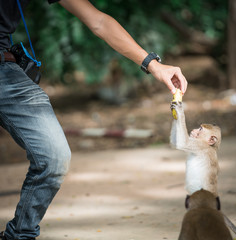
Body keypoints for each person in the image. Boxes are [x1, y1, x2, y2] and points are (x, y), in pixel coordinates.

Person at [0, 0, 188, 239]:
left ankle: (19, 235)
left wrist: (155, 66)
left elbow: (98, 21)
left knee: (54, 156)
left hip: (5, 71)